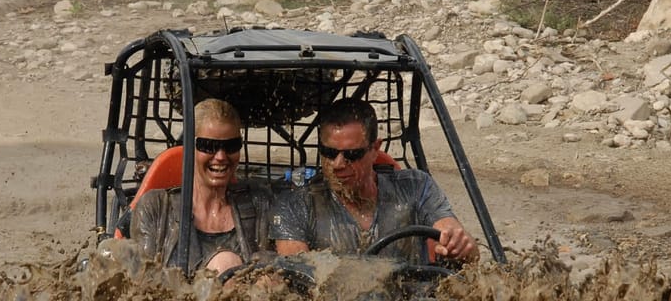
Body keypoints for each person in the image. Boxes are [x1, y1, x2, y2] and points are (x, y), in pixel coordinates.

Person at [270, 98, 478, 263]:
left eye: (352, 155)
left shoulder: (415, 187)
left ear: (374, 149)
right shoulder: (296, 205)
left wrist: (459, 245)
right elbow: (296, 275)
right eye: (329, 152)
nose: (338, 164)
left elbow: (454, 235)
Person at [130, 98, 271, 274]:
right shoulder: (156, 207)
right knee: (225, 263)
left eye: (231, 146)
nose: (220, 156)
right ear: (189, 147)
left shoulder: (260, 202)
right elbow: (143, 280)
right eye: (209, 146)